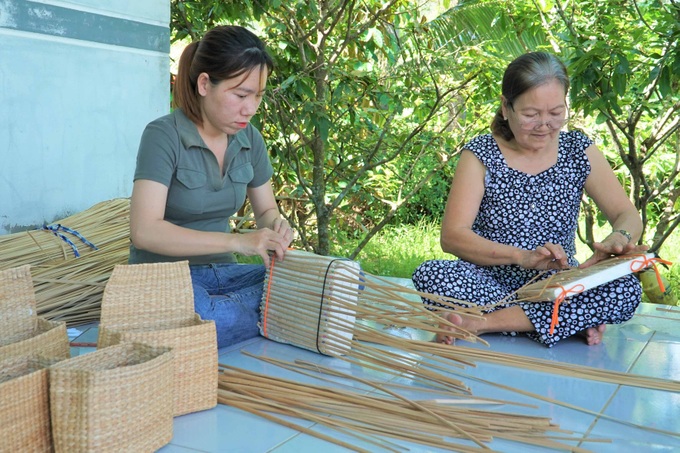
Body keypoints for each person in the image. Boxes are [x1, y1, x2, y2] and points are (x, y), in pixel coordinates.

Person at [412, 52, 648, 348]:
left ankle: (481, 322)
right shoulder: (481, 154)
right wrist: (521, 257)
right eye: (531, 114)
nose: (545, 124)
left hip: (557, 284)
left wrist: (618, 238)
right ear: (506, 108)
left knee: (624, 289)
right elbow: (453, 237)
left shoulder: (578, 150)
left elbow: (627, 215)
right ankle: (559, 322)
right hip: (488, 281)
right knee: (432, 274)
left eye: (555, 112)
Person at [128, 25, 294, 349]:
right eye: (241, 95)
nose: (251, 108)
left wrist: (277, 228)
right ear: (205, 84)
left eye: (258, 96)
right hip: (165, 280)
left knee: (315, 286)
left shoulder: (249, 139)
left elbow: (266, 209)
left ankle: (237, 321)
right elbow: (144, 231)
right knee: (202, 313)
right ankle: (269, 316)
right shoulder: (163, 136)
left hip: (223, 276)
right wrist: (237, 242)